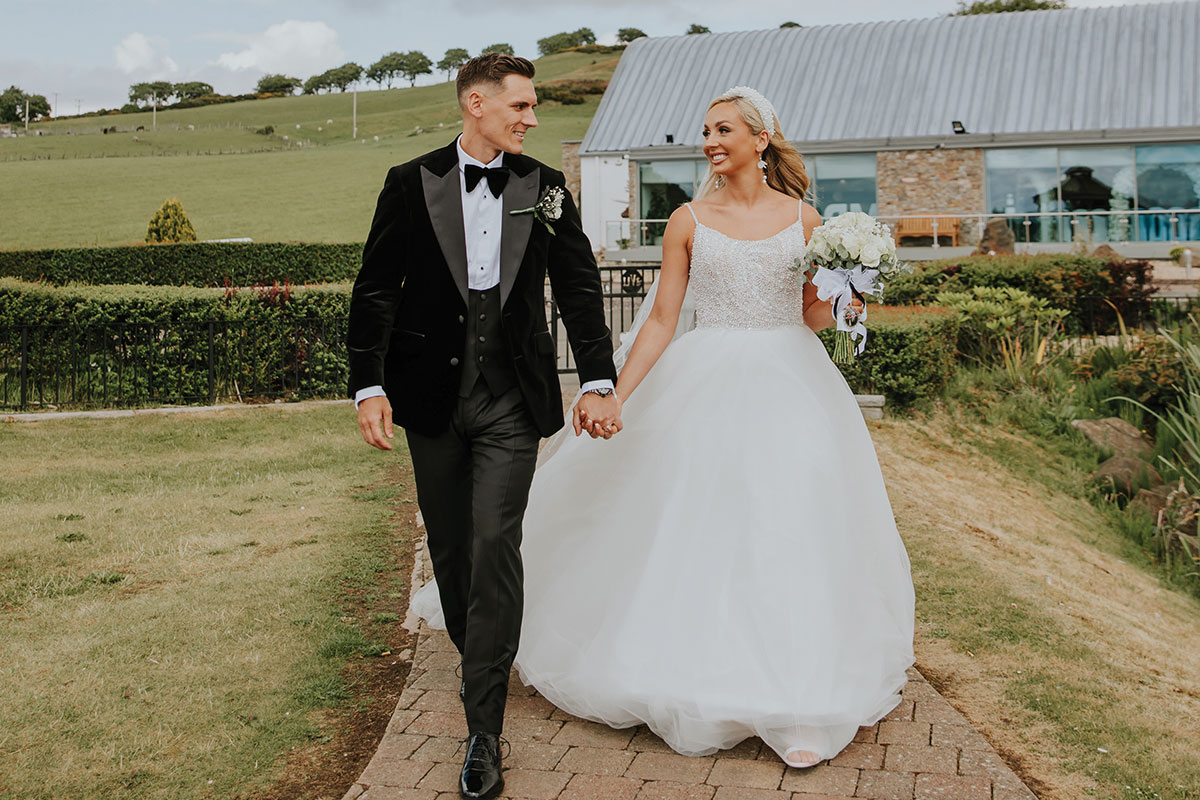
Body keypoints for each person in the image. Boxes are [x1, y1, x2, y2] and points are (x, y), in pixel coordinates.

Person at [413, 85, 916, 770]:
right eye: (706, 130)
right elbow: (659, 322)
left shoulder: (805, 220)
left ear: (760, 140)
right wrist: (611, 394)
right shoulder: (687, 219)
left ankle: (799, 698)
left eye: (725, 129)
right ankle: (696, 670)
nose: (711, 141)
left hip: (790, 387)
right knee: (702, 523)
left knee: (789, 524)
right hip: (705, 380)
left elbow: (813, 315)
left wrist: (850, 298)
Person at [346, 53, 622, 799]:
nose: (532, 120)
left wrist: (599, 376)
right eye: (522, 107)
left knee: (497, 540)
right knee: (454, 549)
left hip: (510, 398)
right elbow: (375, 288)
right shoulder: (411, 183)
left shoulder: (546, 187)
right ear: (477, 103)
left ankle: (483, 731)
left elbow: (576, 284)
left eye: (532, 109)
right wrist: (369, 383)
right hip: (430, 401)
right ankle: (485, 660)